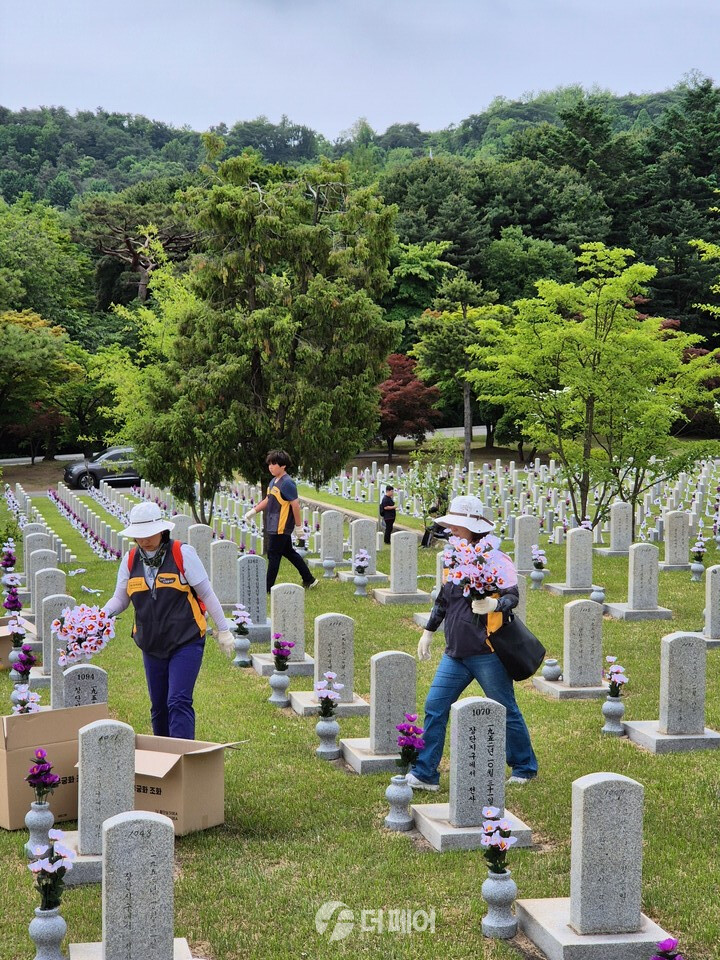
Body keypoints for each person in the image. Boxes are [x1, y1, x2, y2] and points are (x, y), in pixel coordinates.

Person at [408, 495, 538, 791]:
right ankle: (426, 772)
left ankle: (524, 766)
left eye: (457, 524)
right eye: (451, 524)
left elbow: (512, 596)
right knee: (434, 706)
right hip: (455, 650)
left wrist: (494, 606)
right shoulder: (452, 556)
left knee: (505, 708)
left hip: (487, 650)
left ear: (474, 528)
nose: (452, 529)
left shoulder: (495, 558)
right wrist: (429, 630)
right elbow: (444, 599)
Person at [102, 501, 236, 740]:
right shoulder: (131, 560)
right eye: (139, 536)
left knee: (178, 701)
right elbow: (120, 599)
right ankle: (164, 761)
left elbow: (206, 593)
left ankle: (183, 762)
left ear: (162, 530)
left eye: (149, 534)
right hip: (151, 643)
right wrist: (100, 617)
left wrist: (223, 630)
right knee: (159, 706)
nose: (144, 541)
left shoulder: (182, 553)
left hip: (186, 640)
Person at [243, 449, 319, 593]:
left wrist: (298, 526)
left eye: (274, 464)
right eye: (269, 464)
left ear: (283, 466)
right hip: (273, 523)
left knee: (273, 554)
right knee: (289, 552)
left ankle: (267, 588)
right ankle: (309, 579)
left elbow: (295, 505)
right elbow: (268, 499)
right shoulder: (273, 481)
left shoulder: (287, 483)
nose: (270, 467)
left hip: (281, 525)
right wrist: (253, 511)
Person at [420, 476, 450, 548]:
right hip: (440, 509)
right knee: (431, 528)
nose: (445, 483)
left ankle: (426, 545)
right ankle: (424, 544)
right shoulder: (439, 490)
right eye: (444, 481)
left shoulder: (445, 490)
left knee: (431, 529)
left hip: (443, 511)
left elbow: (447, 501)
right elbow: (437, 501)